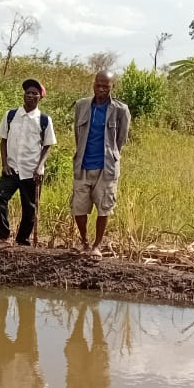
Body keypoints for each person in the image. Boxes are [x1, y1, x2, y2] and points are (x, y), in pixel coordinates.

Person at [72, 71, 131, 257]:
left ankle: (97, 245)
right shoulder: (81, 106)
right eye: (98, 85)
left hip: (106, 168)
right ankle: (85, 242)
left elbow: (120, 140)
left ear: (112, 87)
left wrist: (111, 156)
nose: (101, 89)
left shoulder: (121, 110)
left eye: (106, 86)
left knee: (104, 207)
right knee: (78, 207)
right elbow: (77, 135)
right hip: (83, 165)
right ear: (93, 84)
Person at [0, 78, 56, 247]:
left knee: (29, 208)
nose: (30, 95)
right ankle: (3, 236)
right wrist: (4, 164)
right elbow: (3, 140)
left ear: (40, 97)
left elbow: (47, 145)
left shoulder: (43, 120)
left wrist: (40, 166)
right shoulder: (11, 115)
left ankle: (22, 241)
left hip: (31, 171)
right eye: (27, 92)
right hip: (12, 169)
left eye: (34, 93)